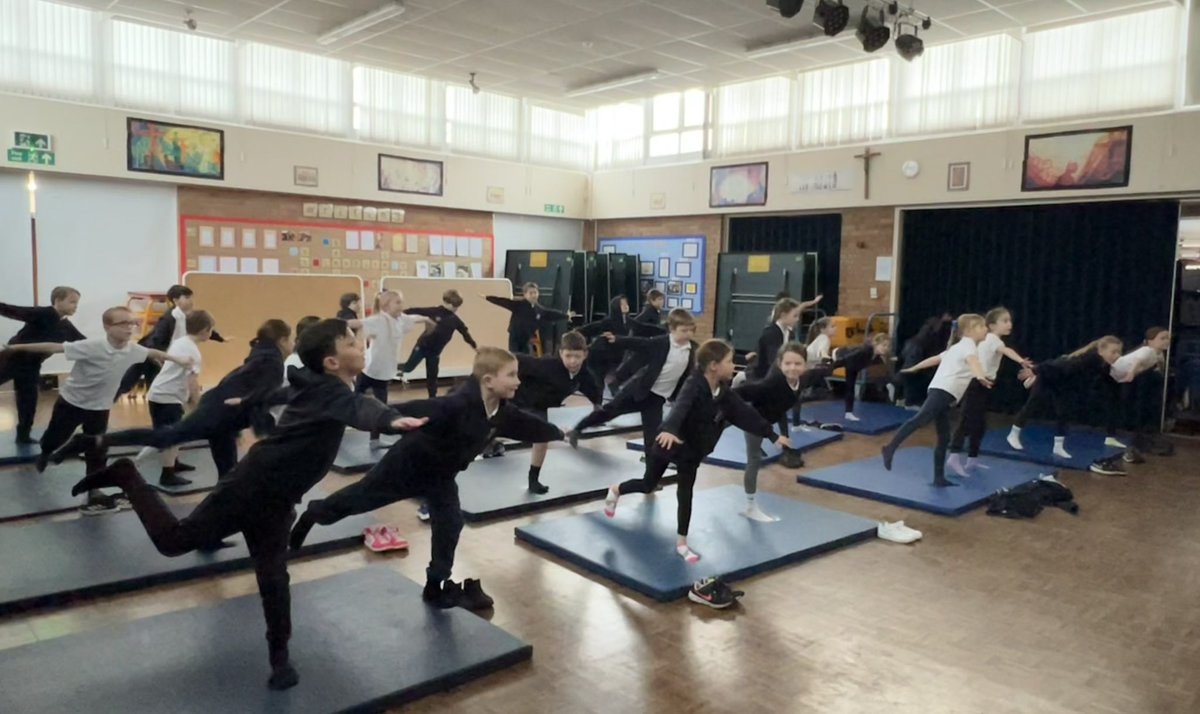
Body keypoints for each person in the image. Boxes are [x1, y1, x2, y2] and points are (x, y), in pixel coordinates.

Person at [66, 318, 428, 690]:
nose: (360, 346)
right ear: (331, 362)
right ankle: (127, 475)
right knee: (173, 542)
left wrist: (253, 399)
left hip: (279, 500)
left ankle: (279, 658)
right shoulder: (332, 394)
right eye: (352, 343)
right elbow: (362, 409)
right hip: (250, 486)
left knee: (273, 577)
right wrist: (392, 420)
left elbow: (289, 393)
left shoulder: (322, 385)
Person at [289, 347, 564, 611]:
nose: (518, 381)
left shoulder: (502, 412)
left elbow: (531, 426)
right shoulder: (454, 405)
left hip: (441, 477)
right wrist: (386, 417)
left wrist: (559, 432)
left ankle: (435, 585)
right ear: (489, 381)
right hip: (404, 467)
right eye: (512, 375)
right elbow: (411, 406)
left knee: (450, 523)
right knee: (357, 500)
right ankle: (315, 513)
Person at [602, 339, 790, 563]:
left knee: (686, 492)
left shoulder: (724, 393)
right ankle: (616, 490)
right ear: (713, 365)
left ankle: (682, 542)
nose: (734, 366)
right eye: (729, 362)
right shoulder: (694, 384)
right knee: (648, 484)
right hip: (668, 444)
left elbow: (744, 414)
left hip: (692, 452)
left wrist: (772, 435)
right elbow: (681, 406)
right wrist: (670, 428)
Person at [3, 306, 193, 514]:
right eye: (123, 324)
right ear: (107, 327)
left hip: (100, 408)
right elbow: (54, 347)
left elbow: (151, 352)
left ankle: (95, 490)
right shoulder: (91, 346)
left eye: (132, 323)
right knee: (55, 438)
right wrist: (16, 348)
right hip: (72, 403)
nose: (130, 328)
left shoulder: (134, 350)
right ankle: (46, 453)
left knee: (97, 448)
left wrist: (178, 359)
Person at [53, 320, 294, 479]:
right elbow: (262, 395)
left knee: (228, 475)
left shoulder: (262, 355)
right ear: (282, 340)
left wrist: (242, 416)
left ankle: (211, 531)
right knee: (164, 437)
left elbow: (242, 386)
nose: (292, 344)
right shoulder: (271, 360)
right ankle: (88, 441)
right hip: (218, 415)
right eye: (291, 339)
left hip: (224, 419)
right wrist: (259, 422)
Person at [904, 308, 1034, 476]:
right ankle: (955, 456)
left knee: (979, 423)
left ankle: (972, 458)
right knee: (967, 420)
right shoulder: (993, 339)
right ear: (992, 325)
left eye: (1009, 321)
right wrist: (1021, 360)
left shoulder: (986, 340)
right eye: (1005, 321)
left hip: (983, 383)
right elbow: (1006, 351)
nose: (1009, 324)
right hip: (976, 383)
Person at [884, 314, 993, 487]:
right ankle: (890, 447)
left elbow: (936, 359)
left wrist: (915, 367)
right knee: (920, 419)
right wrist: (980, 376)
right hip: (943, 390)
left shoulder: (959, 347)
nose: (986, 329)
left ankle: (938, 478)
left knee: (944, 437)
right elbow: (973, 363)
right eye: (982, 327)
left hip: (943, 391)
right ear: (971, 330)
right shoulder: (969, 346)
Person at [566, 308, 697, 451]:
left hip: (656, 399)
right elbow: (640, 343)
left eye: (691, 330)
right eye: (684, 331)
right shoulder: (662, 343)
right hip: (637, 390)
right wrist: (617, 339)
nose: (688, 334)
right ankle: (577, 429)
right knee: (608, 412)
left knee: (653, 435)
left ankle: (651, 463)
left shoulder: (692, 349)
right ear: (672, 329)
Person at [735, 343, 826, 520]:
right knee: (753, 459)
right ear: (780, 364)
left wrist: (835, 362)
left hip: (768, 418)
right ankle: (751, 506)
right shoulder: (772, 382)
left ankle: (749, 505)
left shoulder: (803, 379)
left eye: (798, 364)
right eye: (788, 363)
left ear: (805, 365)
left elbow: (823, 371)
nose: (793, 368)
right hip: (754, 420)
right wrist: (719, 396)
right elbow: (746, 392)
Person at [510, 330, 602, 493]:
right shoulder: (548, 365)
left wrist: (598, 409)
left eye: (577, 356)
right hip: (517, 400)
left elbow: (594, 393)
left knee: (541, 439)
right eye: (568, 356)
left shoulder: (584, 374)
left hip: (539, 407)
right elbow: (520, 359)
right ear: (560, 353)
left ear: (585, 355)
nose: (572, 361)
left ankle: (533, 480)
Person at [1006, 335, 1124, 460]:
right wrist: (1035, 370)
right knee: (1033, 404)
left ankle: (1058, 447)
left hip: (1064, 384)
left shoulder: (1102, 363)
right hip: (1050, 377)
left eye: (1119, 352)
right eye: (1113, 352)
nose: (1117, 355)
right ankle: (1013, 434)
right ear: (1101, 351)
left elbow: (1105, 378)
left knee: (1064, 412)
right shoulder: (1085, 359)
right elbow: (1056, 365)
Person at [0, 286, 84, 444]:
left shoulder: (66, 327)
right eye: (72, 302)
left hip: (31, 366)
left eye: (77, 303)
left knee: (28, 403)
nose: (75, 306)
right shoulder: (44, 313)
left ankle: (23, 436)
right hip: (9, 359)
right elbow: (12, 310)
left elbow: (84, 344)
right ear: (58, 301)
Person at [116, 284, 225, 401]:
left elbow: (202, 328)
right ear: (176, 300)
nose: (191, 301)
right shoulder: (170, 317)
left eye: (191, 297)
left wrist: (220, 338)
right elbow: (156, 337)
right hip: (152, 353)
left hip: (163, 355)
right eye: (187, 298)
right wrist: (156, 356)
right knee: (130, 381)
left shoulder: (187, 316)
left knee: (155, 387)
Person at [143, 310, 215, 487]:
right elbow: (192, 383)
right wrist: (199, 408)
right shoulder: (193, 352)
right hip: (166, 397)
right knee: (171, 436)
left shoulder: (181, 341)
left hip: (162, 394)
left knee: (175, 433)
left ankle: (174, 463)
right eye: (211, 329)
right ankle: (167, 475)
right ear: (205, 330)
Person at [354, 291, 432, 444]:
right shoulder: (379, 320)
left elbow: (413, 318)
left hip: (384, 372)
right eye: (397, 302)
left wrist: (426, 319)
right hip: (369, 370)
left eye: (401, 302)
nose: (401, 306)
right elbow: (359, 324)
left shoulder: (400, 320)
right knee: (353, 397)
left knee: (381, 407)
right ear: (385, 305)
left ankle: (374, 439)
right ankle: (341, 423)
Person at [1096, 327, 1171, 468]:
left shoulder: (1159, 354)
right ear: (1150, 341)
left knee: (1115, 404)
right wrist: (1131, 373)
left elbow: (1147, 366)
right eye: (1162, 338)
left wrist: (1135, 373)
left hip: (1116, 377)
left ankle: (1110, 436)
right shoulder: (1147, 350)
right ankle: (1110, 436)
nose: (1166, 341)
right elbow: (1138, 360)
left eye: (1168, 338)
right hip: (1112, 371)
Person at [400, 289, 478, 398]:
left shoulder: (455, 320)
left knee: (432, 375)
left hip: (435, 352)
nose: (456, 309)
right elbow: (417, 310)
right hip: (422, 347)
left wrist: (474, 346)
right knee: (408, 368)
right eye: (454, 306)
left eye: (457, 306)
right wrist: (400, 313)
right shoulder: (434, 311)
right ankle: (392, 367)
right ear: (446, 302)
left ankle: (433, 397)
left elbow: (465, 333)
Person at [483, 282, 573, 354]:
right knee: (515, 356)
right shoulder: (519, 305)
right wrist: (488, 298)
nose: (534, 295)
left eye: (535, 292)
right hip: (515, 337)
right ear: (525, 294)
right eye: (531, 293)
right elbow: (503, 301)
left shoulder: (538, 309)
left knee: (525, 358)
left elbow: (551, 314)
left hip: (526, 338)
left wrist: (566, 316)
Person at [748, 295, 822, 381]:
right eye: (795, 316)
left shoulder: (789, 333)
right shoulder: (771, 333)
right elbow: (773, 360)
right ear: (783, 315)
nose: (798, 319)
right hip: (763, 377)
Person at [831, 333, 893, 421]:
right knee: (850, 387)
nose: (886, 348)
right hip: (841, 355)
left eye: (888, 346)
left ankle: (848, 413)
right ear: (875, 343)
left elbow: (883, 372)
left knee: (850, 387)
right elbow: (847, 358)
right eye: (884, 345)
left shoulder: (876, 356)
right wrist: (831, 367)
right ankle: (848, 413)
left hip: (853, 363)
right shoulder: (865, 350)